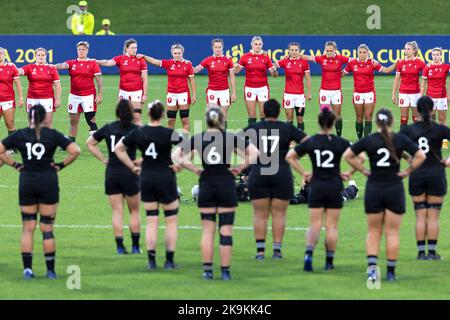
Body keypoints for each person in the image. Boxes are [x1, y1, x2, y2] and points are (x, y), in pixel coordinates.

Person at [172, 107, 258, 280]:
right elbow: (255, 153)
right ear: (221, 119)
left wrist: (195, 169)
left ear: (207, 120)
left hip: (206, 185)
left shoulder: (199, 138)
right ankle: (225, 271)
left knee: (207, 231)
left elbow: (176, 155)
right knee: (225, 230)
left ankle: (207, 271)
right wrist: (240, 168)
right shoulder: (230, 137)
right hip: (226, 184)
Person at [344, 108, 426, 281]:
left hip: (374, 188)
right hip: (394, 189)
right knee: (392, 233)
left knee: (374, 232)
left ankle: (373, 274)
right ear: (392, 121)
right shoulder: (400, 139)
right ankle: (390, 273)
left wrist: (364, 170)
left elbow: (348, 156)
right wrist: (407, 172)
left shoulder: (370, 139)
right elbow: (420, 156)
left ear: (376, 123)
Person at [0, 104, 80, 279]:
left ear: (29, 117)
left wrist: (15, 164)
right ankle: (50, 271)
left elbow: (0, 150)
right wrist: (60, 165)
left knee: (28, 228)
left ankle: (27, 270)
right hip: (48, 182)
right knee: (47, 228)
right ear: (45, 118)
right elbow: (75, 150)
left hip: (27, 182)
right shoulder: (52, 135)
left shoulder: (20, 134)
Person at [115, 100, 184, 269]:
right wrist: (177, 162)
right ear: (162, 115)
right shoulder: (169, 132)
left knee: (152, 220)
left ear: (148, 114)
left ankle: (151, 261)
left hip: (146, 178)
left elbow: (118, 149)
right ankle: (169, 260)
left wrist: (132, 165)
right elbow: (187, 146)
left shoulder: (140, 132)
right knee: (171, 220)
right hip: (166, 177)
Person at [286, 108, 355, 272]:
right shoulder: (340, 142)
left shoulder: (311, 141)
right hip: (334, 187)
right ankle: (329, 261)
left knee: (314, 225)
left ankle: (308, 254)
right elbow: (358, 157)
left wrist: (304, 173)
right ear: (333, 123)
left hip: (316, 187)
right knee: (331, 226)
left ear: (318, 122)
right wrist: (349, 173)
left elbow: (290, 157)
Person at [243, 99, 307, 260]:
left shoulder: (254, 128)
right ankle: (277, 251)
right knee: (279, 214)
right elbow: (307, 142)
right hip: (282, 174)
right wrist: (294, 154)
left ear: (263, 112)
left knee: (260, 214)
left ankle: (260, 252)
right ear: (279, 112)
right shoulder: (287, 128)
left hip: (259, 174)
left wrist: (246, 160)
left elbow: (235, 141)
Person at [86, 100, 141, 254]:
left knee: (117, 211)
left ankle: (119, 246)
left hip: (112, 173)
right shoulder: (135, 129)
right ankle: (136, 246)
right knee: (134, 211)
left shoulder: (109, 128)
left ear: (117, 112)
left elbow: (89, 143)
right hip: (130, 172)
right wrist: (139, 163)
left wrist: (103, 159)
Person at [400, 96, 450, 260]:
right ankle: (433, 252)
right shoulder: (440, 129)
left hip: (417, 175)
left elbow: (394, 146)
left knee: (420, 215)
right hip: (436, 174)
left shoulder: (408, 130)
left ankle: (421, 253)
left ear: (418, 110)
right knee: (433, 215)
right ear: (432, 109)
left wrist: (409, 159)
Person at [138, 44, 196, 137]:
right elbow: (155, 61)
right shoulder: (169, 63)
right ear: (172, 53)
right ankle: (169, 141)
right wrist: (144, 57)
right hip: (171, 95)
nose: (177, 55)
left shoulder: (188, 64)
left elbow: (192, 81)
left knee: (185, 119)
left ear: (182, 53)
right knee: (171, 120)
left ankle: (186, 142)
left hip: (184, 94)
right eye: (175, 53)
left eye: (179, 53)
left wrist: (194, 95)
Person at [342, 44, 397, 139]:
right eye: (360, 52)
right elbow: (341, 74)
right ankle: (360, 140)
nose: (362, 54)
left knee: (368, 117)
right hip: (357, 93)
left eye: (364, 52)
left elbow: (387, 70)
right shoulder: (352, 63)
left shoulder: (372, 63)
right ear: (357, 53)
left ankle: (367, 140)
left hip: (369, 93)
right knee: (359, 118)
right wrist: (330, 71)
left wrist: (397, 63)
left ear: (368, 53)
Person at [54, 41, 103, 142]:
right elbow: (63, 65)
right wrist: (54, 66)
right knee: (73, 120)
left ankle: (94, 141)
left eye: (83, 49)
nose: (81, 51)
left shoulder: (92, 63)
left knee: (90, 119)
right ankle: (71, 142)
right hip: (74, 95)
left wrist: (100, 94)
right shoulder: (72, 63)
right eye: (79, 49)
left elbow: (99, 80)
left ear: (87, 51)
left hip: (88, 95)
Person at [302, 41, 351, 136]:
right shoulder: (321, 58)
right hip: (324, 91)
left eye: (331, 50)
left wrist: (345, 71)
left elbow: (353, 61)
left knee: (337, 116)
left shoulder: (341, 58)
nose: (329, 52)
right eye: (327, 50)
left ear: (335, 50)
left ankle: (338, 137)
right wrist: (294, 55)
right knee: (324, 116)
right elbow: (309, 57)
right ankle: (325, 136)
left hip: (336, 91)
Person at [96, 39, 148, 126]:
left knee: (137, 117)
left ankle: (139, 138)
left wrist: (145, 94)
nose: (135, 50)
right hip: (123, 91)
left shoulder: (141, 60)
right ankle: (123, 138)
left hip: (137, 91)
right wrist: (97, 61)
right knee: (121, 117)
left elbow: (145, 78)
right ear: (127, 48)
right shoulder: (120, 58)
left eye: (136, 48)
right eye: (132, 48)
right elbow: (108, 62)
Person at [234, 36, 278, 126]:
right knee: (252, 115)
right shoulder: (245, 57)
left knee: (263, 114)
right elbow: (236, 71)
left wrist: (274, 70)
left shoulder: (265, 57)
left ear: (262, 45)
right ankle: (252, 137)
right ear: (251, 45)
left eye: (259, 44)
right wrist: (233, 65)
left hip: (263, 89)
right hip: (250, 88)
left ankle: (262, 137)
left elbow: (274, 75)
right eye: (255, 44)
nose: (257, 46)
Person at [194, 38, 236, 129]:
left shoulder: (228, 60)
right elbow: (196, 69)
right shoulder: (208, 60)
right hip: (212, 91)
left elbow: (232, 76)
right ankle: (212, 137)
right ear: (212, 48)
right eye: (216, 47)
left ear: (222, 48)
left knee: (223, 116)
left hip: (224, 91)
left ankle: (223, 138)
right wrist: (187, 65)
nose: (218, 49)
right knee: (212, 115)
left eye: (219, 47)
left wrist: (233, 92)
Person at [17, 48, 61, 128]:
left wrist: (58, 99)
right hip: (32, 98)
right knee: (32, 123)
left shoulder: (52, 68)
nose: (41, 57)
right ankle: (32, 140)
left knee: (47, 124)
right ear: (35, 56)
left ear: (46, 56)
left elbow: (57, 84)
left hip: (48, 99)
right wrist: (11, 68)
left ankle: (46, 140)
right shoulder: (30, 67)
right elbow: (19, 71)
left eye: (43, 55)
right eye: (38, 55)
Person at [276, 42, 311, 131]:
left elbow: (307, 78)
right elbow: (272, 65)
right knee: (289, 118)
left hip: (300, 95)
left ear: (299, 51)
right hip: (288, 95)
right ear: (289, 51)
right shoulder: (285, 61)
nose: (294, 52)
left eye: (296, 50)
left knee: (300, 118)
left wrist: (309, 92)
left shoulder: (304, 62)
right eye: (292, 50)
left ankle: (301, 139)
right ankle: (290, 140)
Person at [392, 41, 426, 127]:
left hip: (415, 93)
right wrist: (393, 94)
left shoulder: (420, 62)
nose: (406, 51)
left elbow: (426, 77)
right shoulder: (401, 63)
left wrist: (423, 92)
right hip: (403, 93)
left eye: (408, 49)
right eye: (405, 49)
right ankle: (403, 137)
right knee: (404, 118)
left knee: (416, 118)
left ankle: (417, 138)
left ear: (414, 51)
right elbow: (397, 79)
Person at [420, 47, 450, 127]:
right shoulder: (427, 67)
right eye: (433, 55)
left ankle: (443, 138)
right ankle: (432, 137)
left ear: (441, 56)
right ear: (431, 56)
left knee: (442, 119)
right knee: (431, 118)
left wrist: (449, 95)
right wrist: (421, 97)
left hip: (442, 96)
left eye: (437, 55)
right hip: (430, 97)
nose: (435, 57)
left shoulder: (446, 67)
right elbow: (423, 84)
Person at [0, 47, 24, 137]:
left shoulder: (11, 67)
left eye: (1, 53)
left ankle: (13, 146)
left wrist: (21, 98)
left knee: (10, 124)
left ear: (5, 55)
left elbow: (18, 84)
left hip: (8, 100)